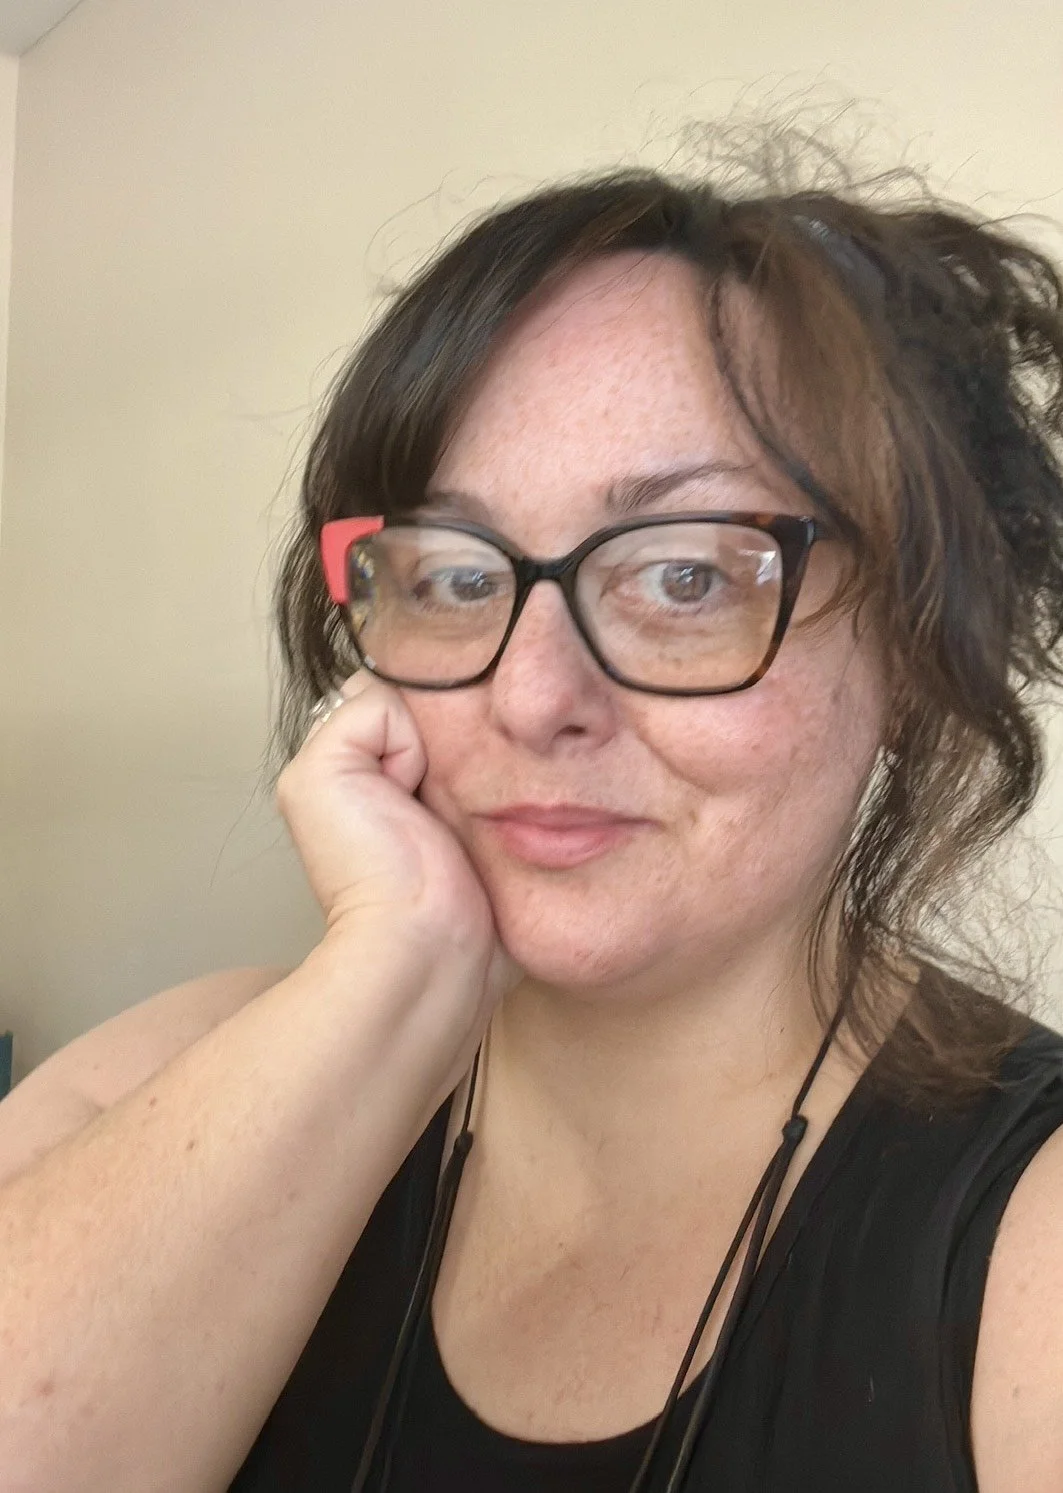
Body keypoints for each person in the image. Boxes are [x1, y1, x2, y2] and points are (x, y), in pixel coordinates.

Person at [2, 150, 1063, 1493]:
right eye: (452, 575)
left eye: (684, 574)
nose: (529, 695)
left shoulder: (1029, 1241)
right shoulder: (165, 1072)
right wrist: (392, 972)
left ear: (913, 654)